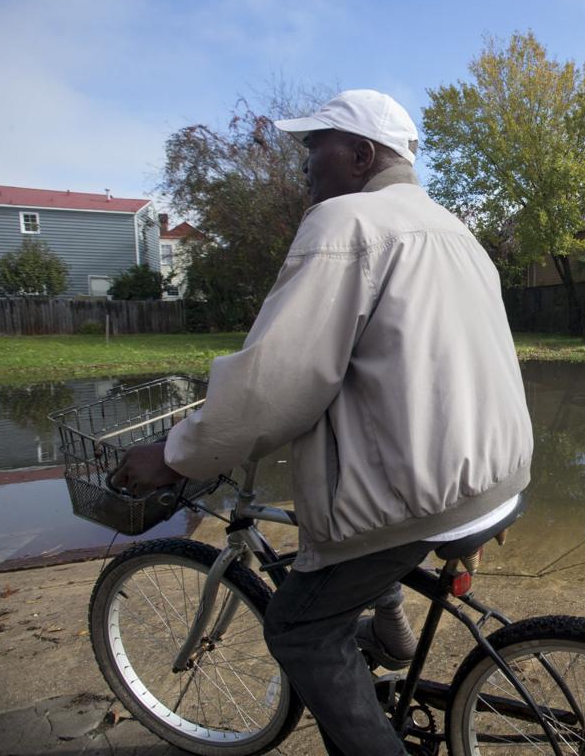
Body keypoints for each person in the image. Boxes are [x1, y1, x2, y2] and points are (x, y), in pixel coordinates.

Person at [109, 89, 534, 755]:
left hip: (425, 495)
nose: (305, 163)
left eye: (315, 146)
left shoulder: (345, 224)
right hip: (496, 474)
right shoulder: (455, 230)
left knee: (300, 627)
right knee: (359, 540)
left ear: (361, 155)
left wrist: (174, 454)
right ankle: (389, 633)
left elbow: (272, 387)